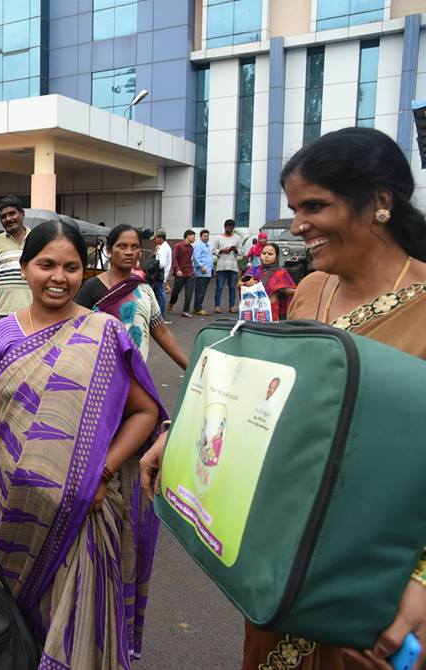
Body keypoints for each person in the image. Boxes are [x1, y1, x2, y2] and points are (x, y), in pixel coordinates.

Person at [141, 127, 426, 670]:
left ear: (381, 203)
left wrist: (421, 582)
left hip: (380, 575)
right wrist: (179, 439)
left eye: (315, 205)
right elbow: (267, 400)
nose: (298, 226)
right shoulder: (312, 289)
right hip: (284, 547)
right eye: (295, 208)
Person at [0, 219, 165, 669]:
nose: (58, 276)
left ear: (84, 269)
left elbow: (145, 412)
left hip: (83, 513)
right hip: (11, 507)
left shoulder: (104, 332)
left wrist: (104, 472)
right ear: (26, 267)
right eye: (46, 264)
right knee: (17, 626)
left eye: (71, 267)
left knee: (75, 624)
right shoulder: (2, 334)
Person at [74, 224, 190, 369]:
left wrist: (190, 367)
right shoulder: (91, 288)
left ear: (140, 252)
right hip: (98, 376)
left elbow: (161, 331)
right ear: (109, 251)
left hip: (136, 375)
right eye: (122, 246)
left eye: (134, 247)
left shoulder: (144, 290)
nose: (129, 252)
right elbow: (73, 332)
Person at [0, 195, 32, 322]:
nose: (8, 219)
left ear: (22, 213)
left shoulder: (36, 240)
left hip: (33, 314)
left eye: (12, 213)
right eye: (3, 216)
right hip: (4, 315)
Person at [239, 242, 297, 321]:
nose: (266, 256)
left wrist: (299, 291)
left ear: (277, 257)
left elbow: (288, 290)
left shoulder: (281, 272)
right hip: (252, 308)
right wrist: (246, 283)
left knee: (269, 330)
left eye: (270, 254)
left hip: (271, 310)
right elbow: (239, 284)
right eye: (264, 253)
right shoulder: (254, 270)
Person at [211, 219, 241, 313]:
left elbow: (241, 252)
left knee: (232, 287)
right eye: (228, 227)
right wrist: (222, 250)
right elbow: (213, 250)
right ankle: (217, 306)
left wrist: (235, 250)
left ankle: (232, 306)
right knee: (219, 286)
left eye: (232, 228)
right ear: (224, 227)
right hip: (221, 266)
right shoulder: (218, 237)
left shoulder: (237, 238)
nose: (230, 229)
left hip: (233, 266)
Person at [170, 229, 197, 318]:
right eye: (193, 236)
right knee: (176, 292)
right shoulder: (178, 246)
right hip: (180, 273)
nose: (195, 238)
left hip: (189, 273)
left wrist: (192, 271)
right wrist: (177, 269)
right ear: (188, 236)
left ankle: (185, 311)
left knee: (189, 293)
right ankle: (171, 303)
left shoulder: (191, 248)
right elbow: (174, 258)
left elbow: (189, 260)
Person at [151, 229, 172, 320]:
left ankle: (161, 317)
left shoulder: (163, 248)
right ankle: (159, 316)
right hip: (162, 274)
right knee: (159, 295)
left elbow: (161, 264)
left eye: (156, 238)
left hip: (159, 274)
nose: (155, 240)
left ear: (160, 238)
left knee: (160, 295)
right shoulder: (164, 247)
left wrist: (152, 264)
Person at [192, 229, 213, 315]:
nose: (206, 237)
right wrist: (201, 266)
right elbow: (196, 257)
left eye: (207, 236)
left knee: (202, 291)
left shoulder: (207, 246)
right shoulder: (199, 245)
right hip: (201, 272)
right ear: (200, 237)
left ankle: (197, 307)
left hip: (207, 272)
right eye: (204, 236)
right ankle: (198, 308)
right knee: (200, 291)